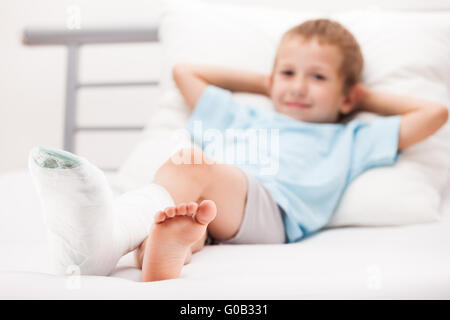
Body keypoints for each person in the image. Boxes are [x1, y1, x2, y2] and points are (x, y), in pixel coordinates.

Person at [29, 19, 448, 282]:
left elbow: (435, 112)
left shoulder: (351, 136)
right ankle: (165, 253)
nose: (298, 86)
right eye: (288, 73)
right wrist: (267, 82)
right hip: (220, 210)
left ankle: (103, 241)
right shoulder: (244, 116)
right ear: (271, 78)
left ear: (346, 94)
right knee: (174, 221)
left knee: (187, 165)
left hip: (276, 211)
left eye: (317, 77)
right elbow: (185, 72)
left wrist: (356, 100)